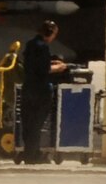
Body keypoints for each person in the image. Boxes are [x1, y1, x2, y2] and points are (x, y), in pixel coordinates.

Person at [17, 19, 68, 163]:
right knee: (36, 123)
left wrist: (50, 62)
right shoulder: (44, 47)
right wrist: (60, 67)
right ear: (51, 34)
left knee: (28, 122)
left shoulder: (31, 44)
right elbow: (44, 69)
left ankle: (29, 152)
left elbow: (32, 64)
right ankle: (32, 155)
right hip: (41, 90)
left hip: (28, 88)